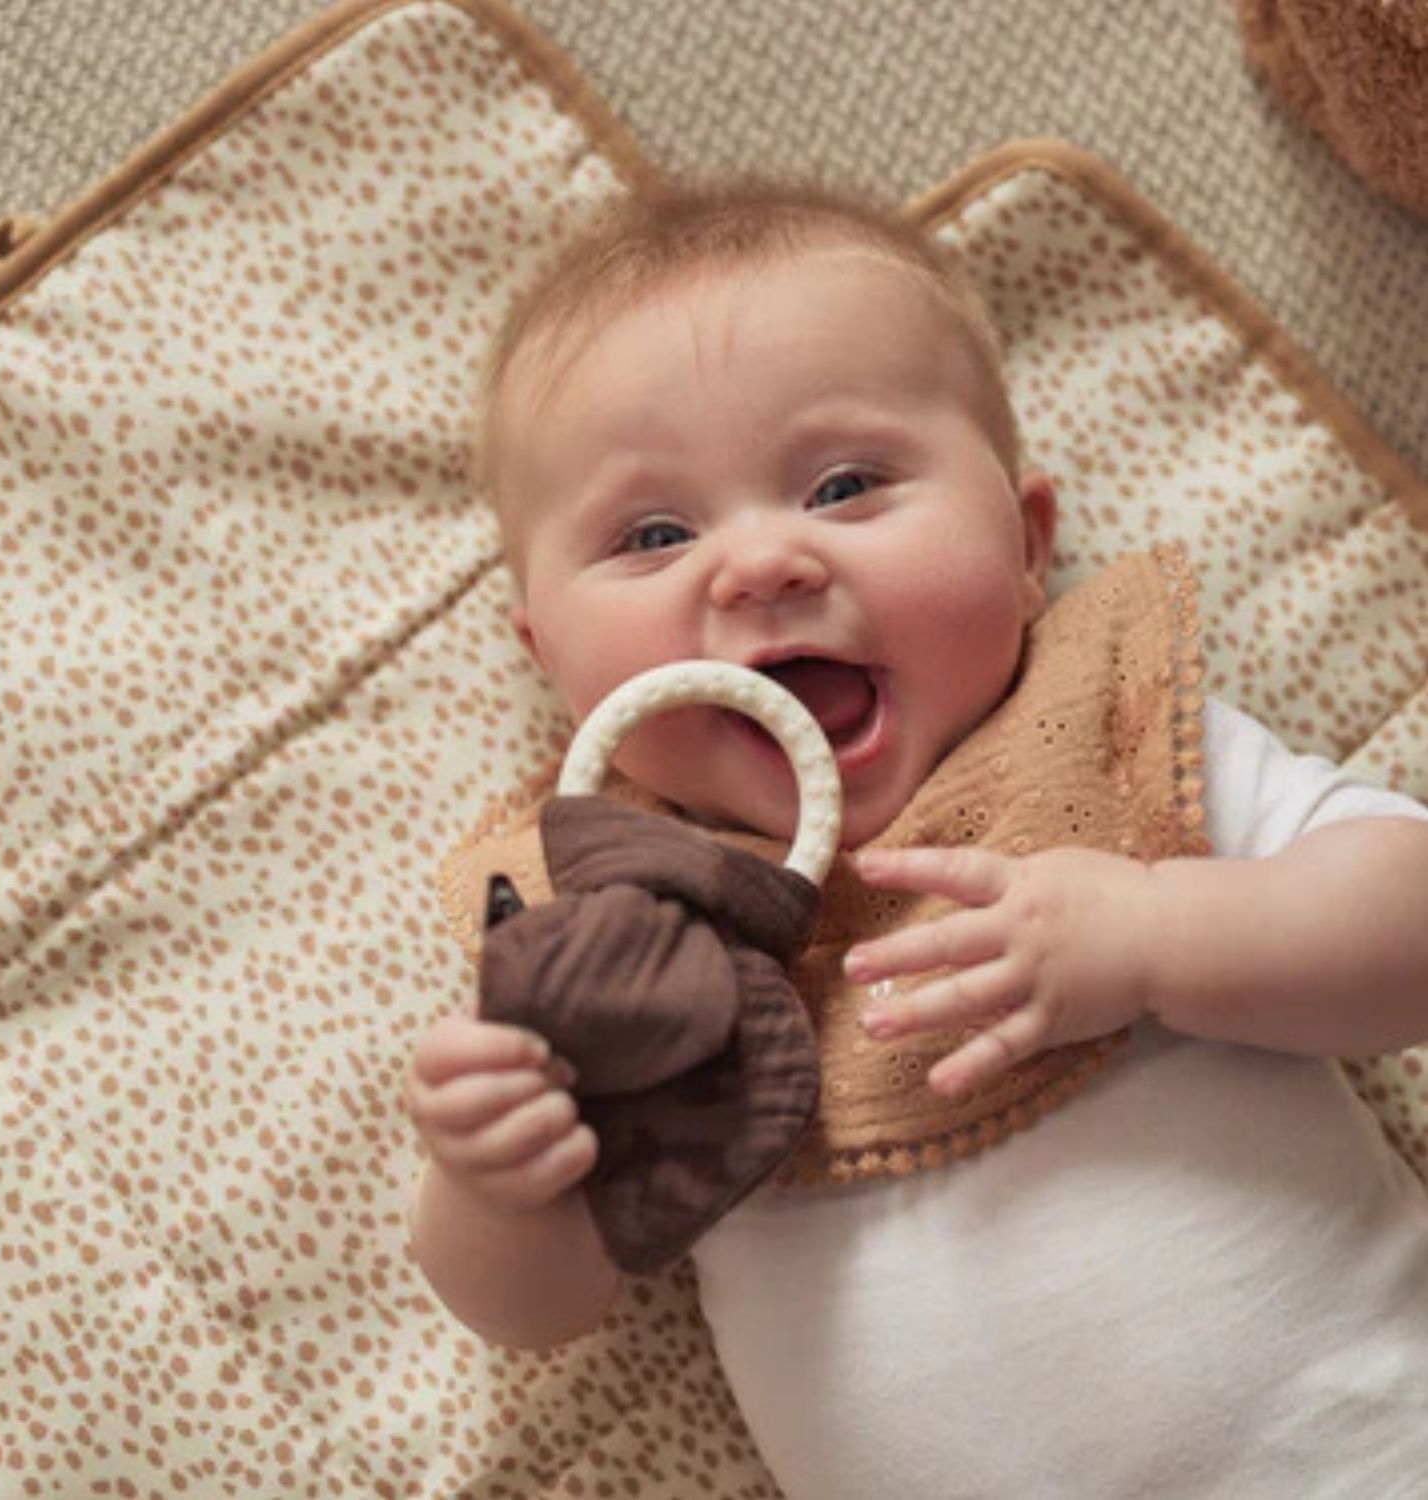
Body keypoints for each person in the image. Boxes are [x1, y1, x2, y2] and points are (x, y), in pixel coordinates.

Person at [404, 181, 1428, 1498]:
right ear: (548, 659)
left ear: (1024, 543)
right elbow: (535, 1309)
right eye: (654, 535)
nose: (760, 562)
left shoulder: (1109, 746)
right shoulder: (607, 944)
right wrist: (495, 1184)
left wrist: (1157, 932)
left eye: (846, 485)